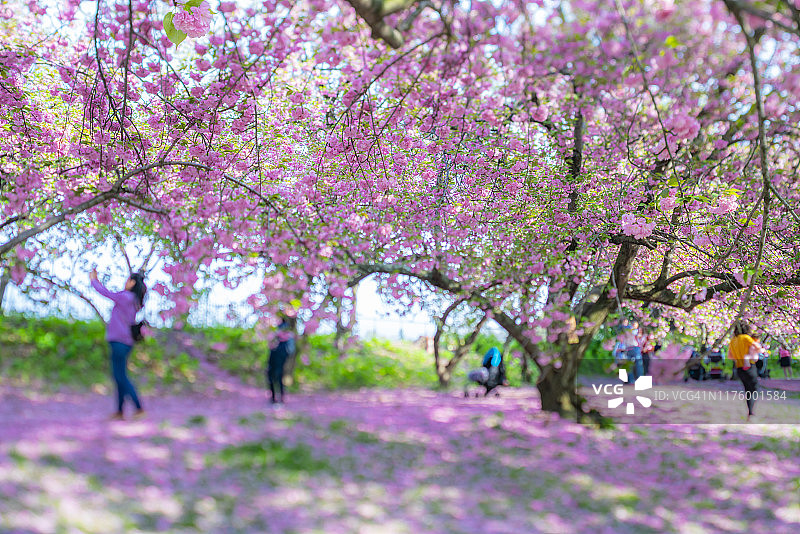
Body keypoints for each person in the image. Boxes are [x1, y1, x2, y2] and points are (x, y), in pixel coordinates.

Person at [90, 269, 146, 420]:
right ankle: (120, 411)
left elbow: (105, 292)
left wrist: (94, 280)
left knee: (120, 376)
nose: (125, 283)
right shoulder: (134, 300)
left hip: (119, 341)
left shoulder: (125, 297)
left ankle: (138, 407)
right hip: (125, 342)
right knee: (119, 376)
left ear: (132, 282)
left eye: (128, 280)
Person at [728, 322, 762, 420]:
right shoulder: (746, 338)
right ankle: (751, 412)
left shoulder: (733, 340)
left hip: (739, 368)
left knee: (747, 389)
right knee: (754, 389)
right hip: (749, 366)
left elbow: (730, 356)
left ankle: (750, 411)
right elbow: (758, 347)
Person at [267, 317, 296, 406]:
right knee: (275, 377)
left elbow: (290, 350)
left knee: (276, 377)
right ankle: (275, 397)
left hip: (278, 361)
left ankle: (278, 398)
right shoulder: (276, 335)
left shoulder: (286, 336)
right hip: (274, 360)